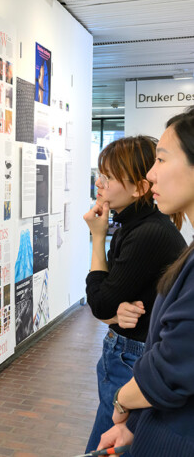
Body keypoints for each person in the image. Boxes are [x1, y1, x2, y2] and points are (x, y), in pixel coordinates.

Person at [97, 107, 194, 456]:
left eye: (163, 160)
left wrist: (123, 402)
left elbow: (173, 367)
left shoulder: (149, 233)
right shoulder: (134, 230)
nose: (152, 175)